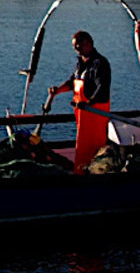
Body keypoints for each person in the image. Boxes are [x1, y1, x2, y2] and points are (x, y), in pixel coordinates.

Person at [43, 30, 115, 170]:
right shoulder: (81, 63)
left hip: (95, 113)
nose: (76, 49)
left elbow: (102, 87)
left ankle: (95, 171)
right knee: (82, 144)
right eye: (74, 46)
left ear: (89, 43)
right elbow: (73, 82)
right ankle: (80, 170)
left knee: (95, 145)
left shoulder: (100, 63)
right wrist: (57, 90)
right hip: (82, 115)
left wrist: (89, 103)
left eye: (78, 45)